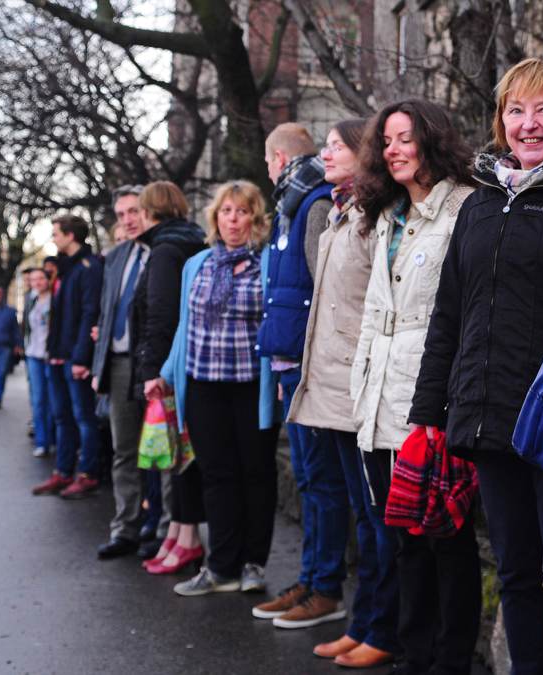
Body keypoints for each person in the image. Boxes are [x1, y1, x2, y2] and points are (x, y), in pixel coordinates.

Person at [408, 57, 543, 675]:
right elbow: (449, 314)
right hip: (485, 415)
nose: (529, 124)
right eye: (516, 110)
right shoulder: (480, 204)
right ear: (500, 121)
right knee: (516, 571)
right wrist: (429, 411)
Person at [351, 99, 479, 675]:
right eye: (386, 141)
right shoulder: (388, 215)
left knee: (447, 541)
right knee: (402, 536)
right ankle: (413, 653)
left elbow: (462, 315)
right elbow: (373, 311)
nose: (393, 150)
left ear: (431, 139)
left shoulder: (464, 209)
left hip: (431, 400)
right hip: (379, 399)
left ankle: (450, 661)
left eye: (405, 138)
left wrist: (447, 403)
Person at [281, 118, 401, 668]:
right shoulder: (337, 211)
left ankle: (381, 627)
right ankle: (364, 621)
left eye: (337, 145)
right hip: (334, 388)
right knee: (361, 512)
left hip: (364, 388)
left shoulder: (376, 217)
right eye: (324, 144)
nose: (325, 153)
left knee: (377, 520)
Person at [152, 180, 279, 596]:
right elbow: (184, 329)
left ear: (255, 219)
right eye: (227, 211)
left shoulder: (266, 265)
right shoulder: (198, 264)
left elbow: (275, 326)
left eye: (242, 212)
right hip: (203, 385)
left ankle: (253, 564)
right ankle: (221, 565)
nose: (234, 220)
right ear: (215, 217)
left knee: (255, 475)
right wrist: (165, 375)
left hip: (250, 387)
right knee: (217, 476)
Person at [251, 123, 345, 625]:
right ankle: (310, 579)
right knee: (309, 480)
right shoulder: (291, 205)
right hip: (290, 366)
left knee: (321, 482)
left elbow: (324, 288)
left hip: (310, 371)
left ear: (279, 158)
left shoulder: (312, 206)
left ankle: (325, 587)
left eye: (268, 161)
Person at [130, 181, 208, 575]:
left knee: (179, 457)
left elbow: (161, 315)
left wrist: (151, 372)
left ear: (150, 210)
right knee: (182, 455)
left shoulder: (164, 250)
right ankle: (178, 532)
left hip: (172, 368)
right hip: (190, 361)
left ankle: (188, 539)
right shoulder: (191, 239)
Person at [92, 185, 152, 559]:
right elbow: (105, 313)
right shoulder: (116, 257)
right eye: (122, 214)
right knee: (124, 450)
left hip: (148, 364)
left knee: (159, 451)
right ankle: (125, 528)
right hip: (116, 364)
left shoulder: (162, 254)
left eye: (135, 211)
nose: (129, 220)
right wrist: (99, 365)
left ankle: (160, 530)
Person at [32, 214, 104, 499]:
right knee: (61, 416)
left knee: (83, 417)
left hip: (75, 358)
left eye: (56, 234)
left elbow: (89, 313)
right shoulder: (64, 269)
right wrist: (52, 352)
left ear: (70, 235)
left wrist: (81, 358)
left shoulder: (88, 267)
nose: (53, 239)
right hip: (57, 355)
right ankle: (63, 473)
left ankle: (87, 474)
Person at [24, 269, 54, 457]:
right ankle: (42, 442)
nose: (37, 282)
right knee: (38, 400)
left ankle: (55, 439)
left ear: (48, 279)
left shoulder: (55, 298)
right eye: (34, 279)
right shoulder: (31, 299)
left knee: (54, 400)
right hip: (33, 355)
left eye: (41, 278)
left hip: (50, 356)